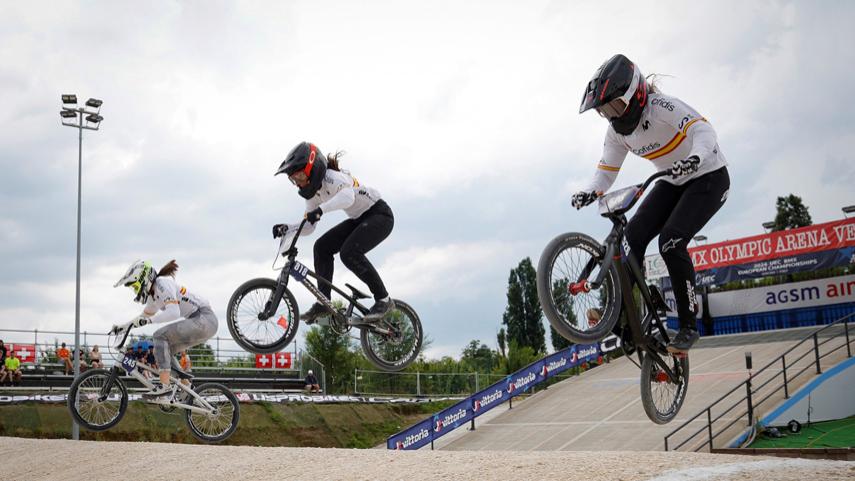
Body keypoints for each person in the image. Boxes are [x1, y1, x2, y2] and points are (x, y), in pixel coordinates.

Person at [574, 54, 730, 353]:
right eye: (604, 111)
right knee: (629, 242)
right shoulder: (616, 133)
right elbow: (605, 172)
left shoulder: (662, 108)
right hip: (672, 181)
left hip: (709, 177)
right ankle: (639, 315)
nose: (612, 116)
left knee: (671, 241)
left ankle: (687, 326)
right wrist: (589, 192)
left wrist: (695, 157)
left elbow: (704, 131)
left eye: (614, 106)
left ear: (635, 94)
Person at [273, 142, 395, 323]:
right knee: (321, 247)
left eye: (299, 176)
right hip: (358, 219)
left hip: (379, 215)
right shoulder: (313, 195)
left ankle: (383, 299)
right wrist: (288, 228)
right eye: (294, 179)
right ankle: (324, 301)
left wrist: (320, 211)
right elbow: (309, 226)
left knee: (349, 253)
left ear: (312, 169)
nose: (297, 183)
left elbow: (348, 197)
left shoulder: (332, 177)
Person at [112, 259, 218, 400]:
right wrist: (123, 326)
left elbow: (173, 312)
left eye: (135, 287)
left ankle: (165, 387)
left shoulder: (162, 283)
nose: (136, 291)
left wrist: (150, 320)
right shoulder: (154, 296)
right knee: (161, 350)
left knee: (159, 336)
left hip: (204, 318)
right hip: (200, 322)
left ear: (145, 278)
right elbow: (143, 316)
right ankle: (187, 388)